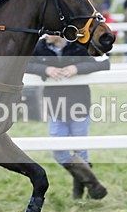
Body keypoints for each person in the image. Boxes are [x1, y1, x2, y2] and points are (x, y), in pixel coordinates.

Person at [27, 34, 110, 199]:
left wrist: (77, 69)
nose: (44, 35)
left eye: (48, 31)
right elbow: (23, 65)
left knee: (81, 151)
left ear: (59, 33)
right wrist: (45, 70)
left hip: (79, 104)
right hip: (54, 106)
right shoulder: (39, 47)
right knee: (58, 151)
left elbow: (102, 64)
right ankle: (95, 186)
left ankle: (78, 194)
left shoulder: (79, 45)